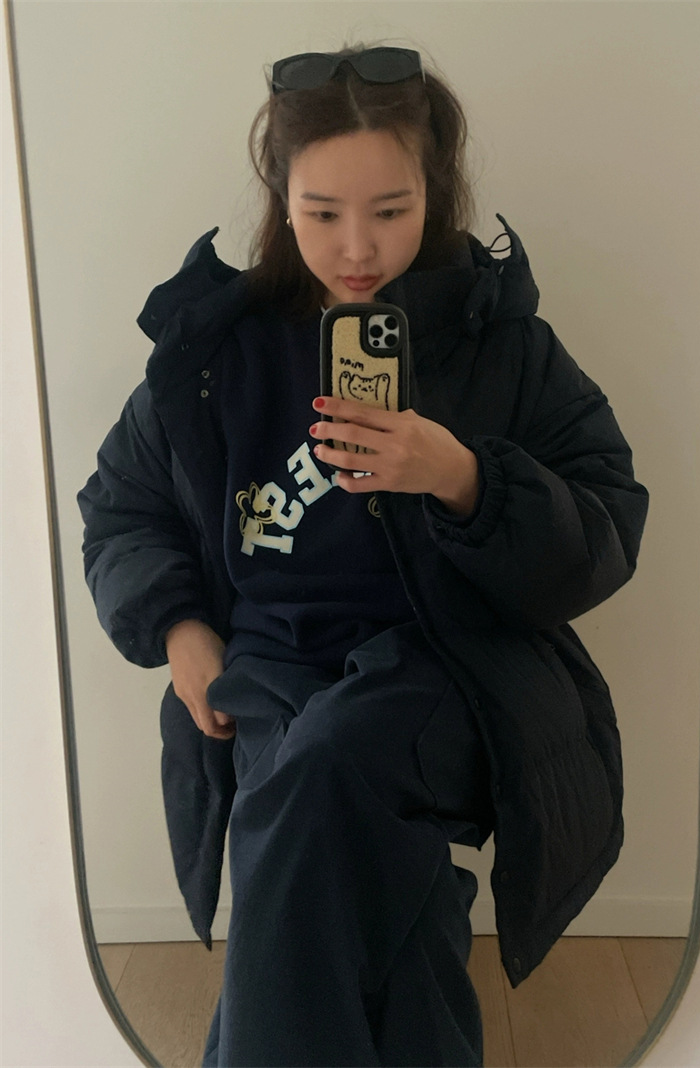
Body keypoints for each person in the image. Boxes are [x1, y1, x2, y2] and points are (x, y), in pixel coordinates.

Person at [78, 43, 649, 1068]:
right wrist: (179, 630)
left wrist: (463, 476)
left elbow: (607, 530)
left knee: (313, 777)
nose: (356, 247)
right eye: (321, 212)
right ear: (279, 199)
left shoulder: (499, 344)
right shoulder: (217, 354)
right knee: (371, 868)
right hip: (265, 665)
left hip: (446, 667)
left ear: (435, 190)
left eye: (390, 210)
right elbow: (121, 507)